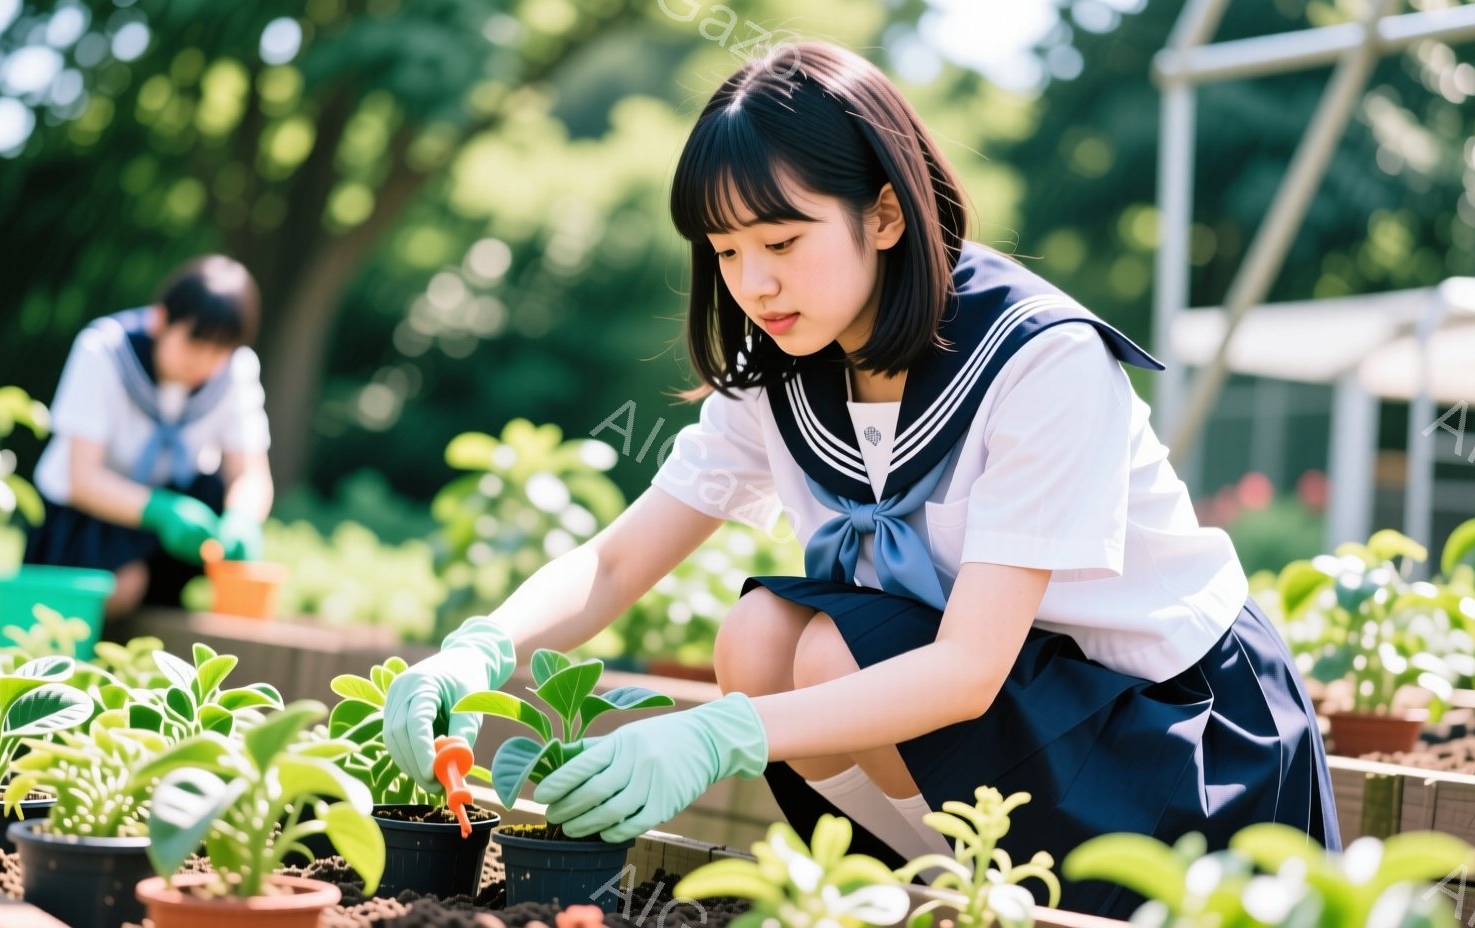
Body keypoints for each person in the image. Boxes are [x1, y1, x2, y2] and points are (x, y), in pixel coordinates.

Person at [384, 42, 1339, 917]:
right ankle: (937, 896)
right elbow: (618, 562)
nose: (753, 284)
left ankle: (985, 900)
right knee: (761, 635)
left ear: (884, 213)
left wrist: (716, 735)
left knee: (838, 655)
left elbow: (967, 670)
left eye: (781, 242)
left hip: (1172, 733)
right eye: (725, 251)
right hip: (1020, 722)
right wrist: (474, 653)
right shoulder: (784, 370)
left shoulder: (1040, 359)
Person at [25, 254, 274, 621]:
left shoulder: (236, 370)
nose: (205, 361)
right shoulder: (104, 350)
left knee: (214, 503)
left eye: (220, 350)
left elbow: (250, 472)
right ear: (161, 320)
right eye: (195, 343)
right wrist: (159, 511)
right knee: (124, 587)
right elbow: (82, 478)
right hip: (86, 517)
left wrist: (242, 518)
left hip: (173, 522)